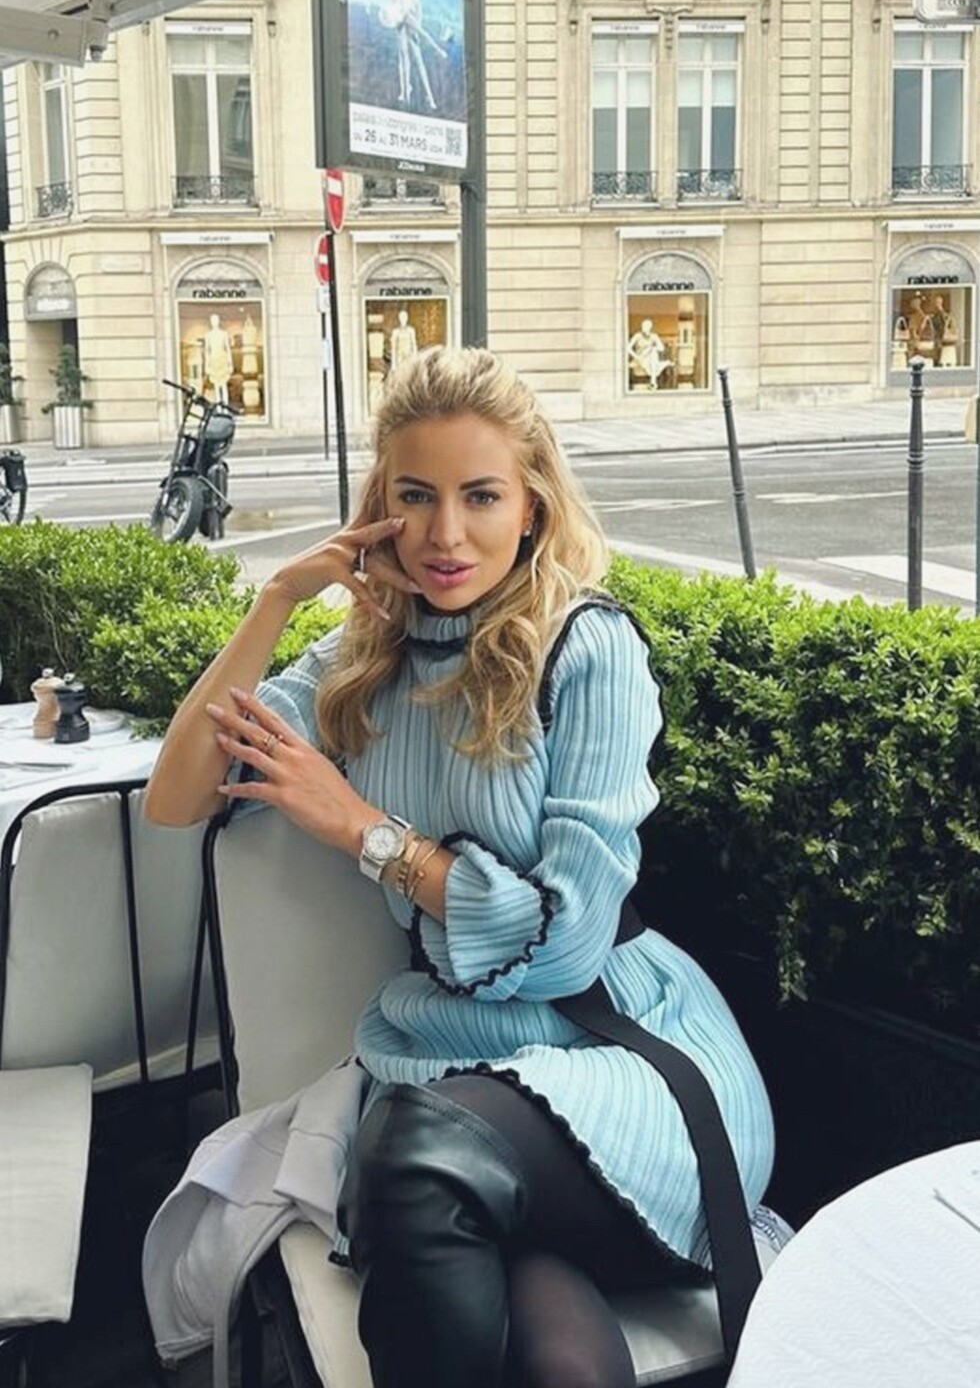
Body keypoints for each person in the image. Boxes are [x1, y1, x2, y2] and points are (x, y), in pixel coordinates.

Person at [145, 346, 774, 1388]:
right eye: (415, 496)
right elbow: (175, 799)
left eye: (480, 496)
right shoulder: (360, 663)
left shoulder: (587, 649)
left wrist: (366, 831)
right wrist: (280, 597)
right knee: (557, 1362)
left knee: (411, 1157)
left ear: (530, 506)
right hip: (457, 1075)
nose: (445, 534)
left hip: (622, 1056)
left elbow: (568, 943)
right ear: (379, 509)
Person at [627, 317, 669, 390]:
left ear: (650, 327)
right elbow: (628, 348)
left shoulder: (654, 336)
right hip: (640, 357)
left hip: (650, 358)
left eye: (646, 326)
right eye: (643, 326)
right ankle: (654, 381)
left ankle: (653, 381)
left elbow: (662, 348)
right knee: (654, 361)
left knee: (653, 350)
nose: (643, 328)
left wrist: (653, 348)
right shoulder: (637, 335)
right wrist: (636, 356)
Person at [203, 312, 234, 404]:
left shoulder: (224, 334)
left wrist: (230, 364)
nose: (214, 322)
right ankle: (219, 406)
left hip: (222, 360)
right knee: (216, 386)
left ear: (219, 321)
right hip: (214, 361)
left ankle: (226, 405)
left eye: (216, 320)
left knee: (224, 385)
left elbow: (228, 349)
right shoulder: (208, 335)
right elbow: (207, 351)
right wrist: (207, 365)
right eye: (213, 320)